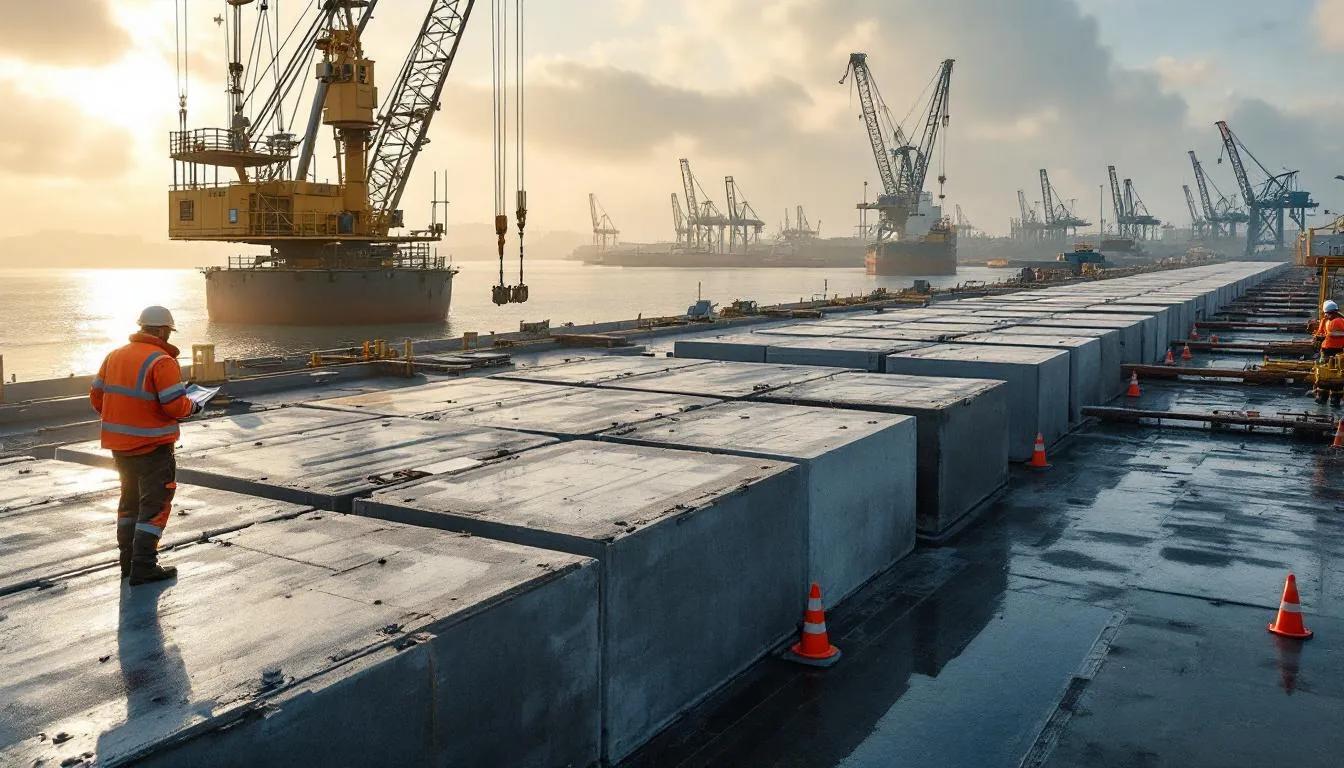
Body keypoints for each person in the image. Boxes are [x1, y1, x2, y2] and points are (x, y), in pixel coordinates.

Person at [89, 306, 203, 585]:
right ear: (164, 331)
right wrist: (194, 406)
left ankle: (127, 563)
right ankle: (144, 567)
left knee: (128, 504)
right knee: (154, 506)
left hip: (120, 448)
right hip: (153, 449)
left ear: (141, 328)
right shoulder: (161, 361)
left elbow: (96, 398)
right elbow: (175, 405)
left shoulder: (114, 356)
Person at [1315, 300, 1344, 407]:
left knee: (1329, 374)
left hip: (1332, 351)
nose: (1327, 315)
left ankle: (1324, 397)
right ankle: (1332, 399)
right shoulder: (1329, 320)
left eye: (1327, 313)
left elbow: (1328, 334)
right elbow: (1322, 333)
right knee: (1334, 374)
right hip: (1333, 351)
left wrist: (1320, 337)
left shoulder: (1337, 321)